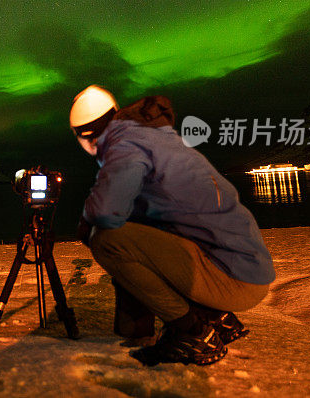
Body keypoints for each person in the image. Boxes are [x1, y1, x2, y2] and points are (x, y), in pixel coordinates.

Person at [70, 85, 275, 366]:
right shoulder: (152, 139)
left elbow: (106, 212)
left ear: (84, 136)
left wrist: (85, 223)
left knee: (106, 239)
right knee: (133, 235)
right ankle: (216, 317)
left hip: (234, 280)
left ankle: (193, 331)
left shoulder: (126, 146)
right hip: (245, 267)